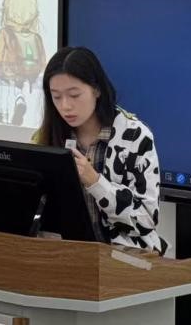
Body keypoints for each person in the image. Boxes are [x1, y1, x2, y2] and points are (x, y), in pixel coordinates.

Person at [34, 46, 168, 254]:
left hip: (126, 260)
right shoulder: (49, 136)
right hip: (67, 256)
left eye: (74, 95)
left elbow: (147, 219)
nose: (65, 106)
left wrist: (95, 182)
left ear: (96, 89)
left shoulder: (134, 136)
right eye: (56, 97)